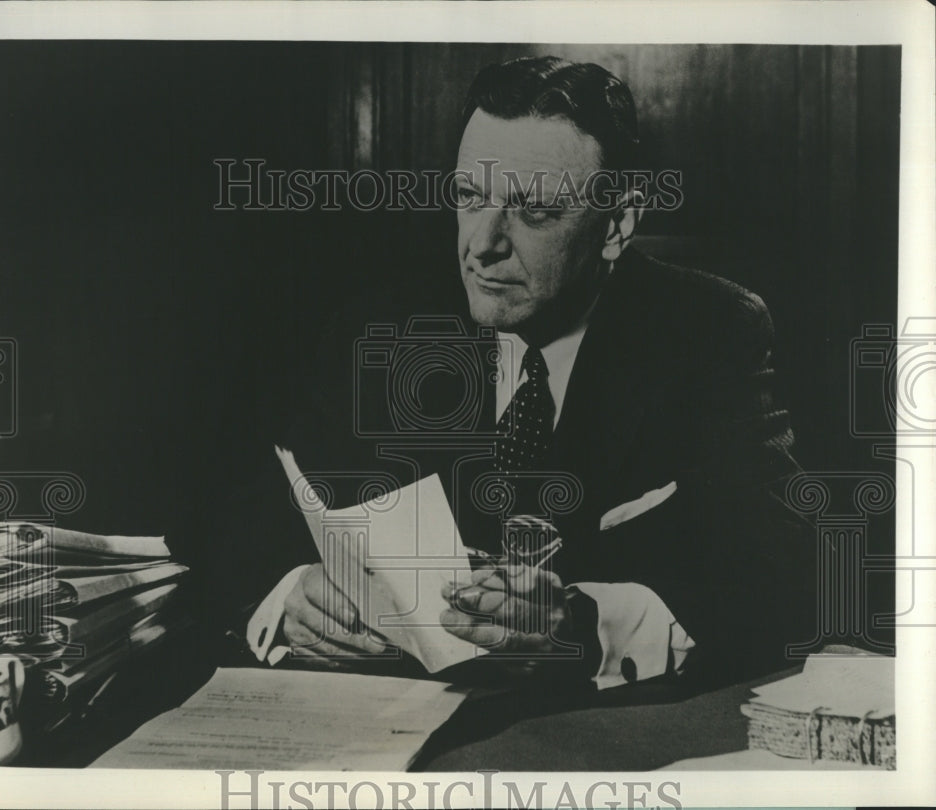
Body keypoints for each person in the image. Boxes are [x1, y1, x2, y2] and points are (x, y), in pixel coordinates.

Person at [227, 56, 815, 691]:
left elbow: (783, 575)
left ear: (616, 224)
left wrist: (586, 623)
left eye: (532, 211)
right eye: (469, 197)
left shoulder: (708, 329)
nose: (482, 244)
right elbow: (242, 527)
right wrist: (288, 597)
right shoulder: (384, 328)